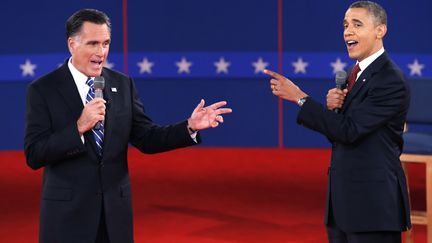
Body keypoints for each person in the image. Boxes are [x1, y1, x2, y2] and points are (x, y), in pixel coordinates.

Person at [24, 8, 232, 243]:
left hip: (114, 217)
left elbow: (146, 137)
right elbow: (35, 154)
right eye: (93, 44)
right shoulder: (44, 90)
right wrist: (79, 127)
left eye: (106, 43)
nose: (101, 52)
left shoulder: (121, 84)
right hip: (67, 218)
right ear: (72, 44)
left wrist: (190, 127)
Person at [264, 1, 411, 243]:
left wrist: (300, 98)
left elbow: (350, 132)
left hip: (372, 208)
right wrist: (334, 111)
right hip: (343, 205)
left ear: (380, 30)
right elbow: (339, 135)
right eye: (345, 25)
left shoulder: (389, 79)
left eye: (357, 24)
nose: (347, 31)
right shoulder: (355, 75)